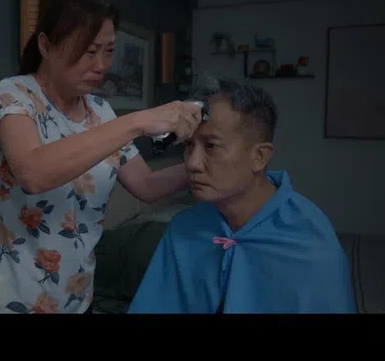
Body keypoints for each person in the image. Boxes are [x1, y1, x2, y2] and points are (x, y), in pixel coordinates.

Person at [0, 0, 203, 314]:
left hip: (76, 297)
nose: (102, 65)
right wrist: (138, 122)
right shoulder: (14, 94)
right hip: (8, 298)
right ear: (46, 45)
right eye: (89, 51)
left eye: (108, 51)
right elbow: (33, 174)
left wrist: (206, 161)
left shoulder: (101, 111)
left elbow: (147, 185)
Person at [127, 77, 357, 314]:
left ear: (260, 157)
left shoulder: (311, 245)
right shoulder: (185, 229)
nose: (192, 164)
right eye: (189, 146)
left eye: (211, 146)